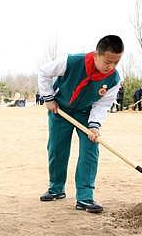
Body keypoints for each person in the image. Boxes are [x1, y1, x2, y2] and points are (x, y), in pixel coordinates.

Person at [37, 35, 123, 214]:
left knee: (90, 150)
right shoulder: (73, 62)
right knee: (57, 149)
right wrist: (49, 98)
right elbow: (44, 72)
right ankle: (56, 188)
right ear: (96, 55)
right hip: (60, 109)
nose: (112, 67)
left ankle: (85, 197)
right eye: (108, 62)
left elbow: (103, 104)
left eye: (116, 62)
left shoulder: (113, 79)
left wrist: (94, 125)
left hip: (86, 113)